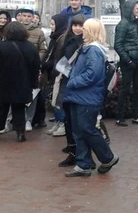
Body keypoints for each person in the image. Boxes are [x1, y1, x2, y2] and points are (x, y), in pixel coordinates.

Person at [63, 19, 119, 177]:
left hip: (86, 97)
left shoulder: (93, 50)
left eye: (85, 28)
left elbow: (92, 74)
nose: (82, 31)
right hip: (80, 96)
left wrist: (73, 82)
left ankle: (107, 157)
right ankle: (83, 164)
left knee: (86, 129)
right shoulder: (89, 48)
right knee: (80, 130)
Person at [0, 22, 41, 142]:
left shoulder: (0, 46)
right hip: (23, 83)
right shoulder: (30, 47)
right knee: (19, 109)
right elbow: (35, 67)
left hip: (2, 83)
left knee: (0, 109)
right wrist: (33, 83)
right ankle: (20, 133)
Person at [52, 15, 87, 167]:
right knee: (68, 119)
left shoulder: (86, 43)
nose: (77, 28)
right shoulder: (65, 39)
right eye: (75, 25)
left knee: (78, 121)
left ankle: (80, 153)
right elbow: (59, 59)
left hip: (78, 85)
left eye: (80, 25)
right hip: (66, 82)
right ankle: (73, 149)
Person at [114, 0, 138, 126]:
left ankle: (136, 116)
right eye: (137, 8)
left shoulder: (137, 23)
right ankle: (119, 116)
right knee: (125, 89)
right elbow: (117, 44)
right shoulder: (123, 24)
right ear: (130, 9)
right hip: (128, 61)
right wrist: (127, 59)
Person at [17, 8, 48, 130]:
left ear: (32, 17)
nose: (25, 18)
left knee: (32, 95)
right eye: (23, 15)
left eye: (28, 16)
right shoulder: (14, 30)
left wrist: (36, 62)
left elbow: (43, 49)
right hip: (16, 68)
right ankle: (15, 119)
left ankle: (28, 120)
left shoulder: (39, 32)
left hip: (32, 69)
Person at [42, 14, 70, 136]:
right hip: (54, 72)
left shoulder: (62, 38)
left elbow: (58, 58)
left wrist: (48, 65)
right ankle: (58, 122)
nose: (51, 26)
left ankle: (62, 123)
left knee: (59, 100)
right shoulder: (55, 37)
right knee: (55, 99)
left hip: (58, 73)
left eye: (53, 24)